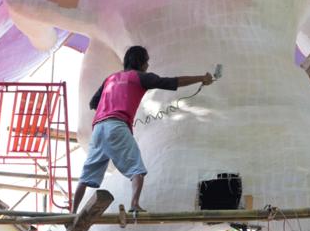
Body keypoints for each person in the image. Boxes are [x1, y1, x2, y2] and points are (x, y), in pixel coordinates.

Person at [73, 46, 212, 214]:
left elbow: (93, 103)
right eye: (146, 61)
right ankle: (134, 205)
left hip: (98, 129)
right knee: (136, 168)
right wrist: (201, 78)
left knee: (87, 175)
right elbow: (172, 82)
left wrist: (110, 104)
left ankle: (72, 212)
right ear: (141, 62)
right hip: (117, 126)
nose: (147, 65)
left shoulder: (110, 79)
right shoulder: (140, 77)